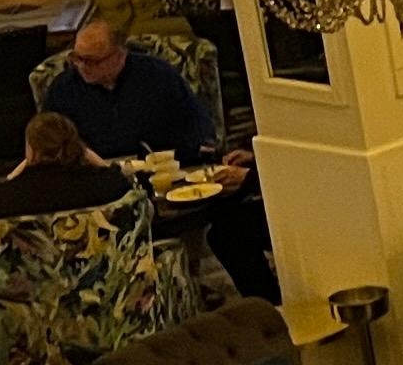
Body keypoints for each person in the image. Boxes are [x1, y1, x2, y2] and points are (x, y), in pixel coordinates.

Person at [43, 15, 275, 297]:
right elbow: (51, 142)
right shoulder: (63, 90)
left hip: (165, 171)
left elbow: (198, 127)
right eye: (77, 58)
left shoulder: (156, 75)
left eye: (92, 61)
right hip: (99, 178)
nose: (81, 67)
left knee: (226, 218)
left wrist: (193, 152)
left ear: (119, 55)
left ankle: (188, 282)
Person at [0, 110, 132, 221]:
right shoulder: (110, 184)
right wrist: (103, 165)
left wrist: (12, 177)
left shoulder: (4, 198)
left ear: (31, 149)